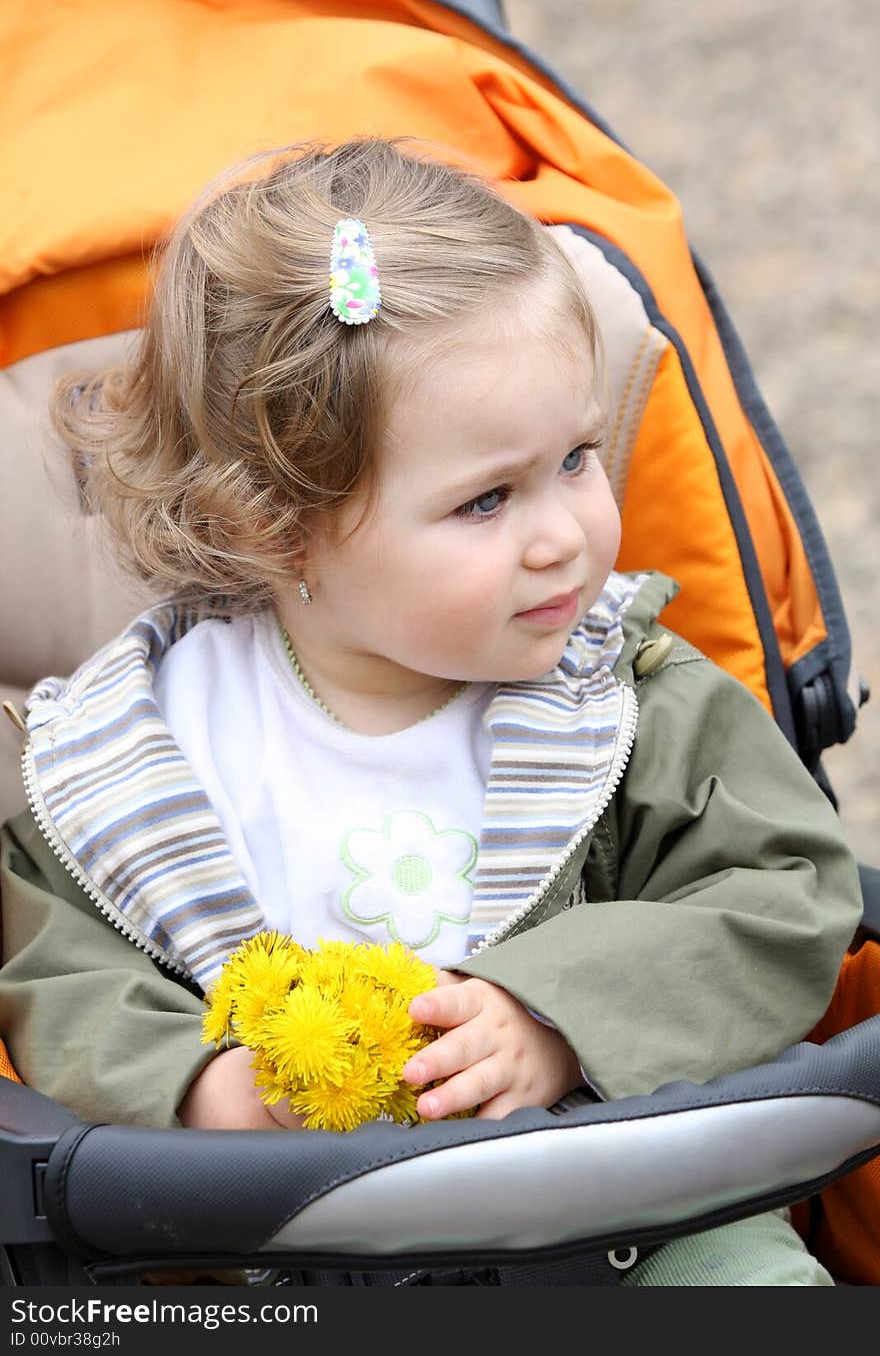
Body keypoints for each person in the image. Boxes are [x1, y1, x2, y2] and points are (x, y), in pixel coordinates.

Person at [0, 138, 861, 1285]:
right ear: (278, 527)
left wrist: (559, 1018)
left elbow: (787, 893)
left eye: (574, 459)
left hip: (623, 1218)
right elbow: (54, 972)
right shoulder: (135, 750)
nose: (563, 533)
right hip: (273, 1254)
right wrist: (193, 1085)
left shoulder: (629, 692)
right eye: (486, 498)